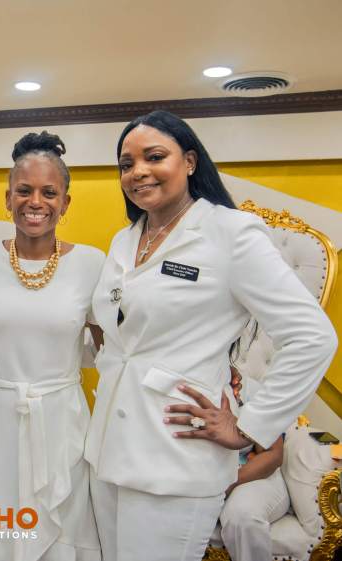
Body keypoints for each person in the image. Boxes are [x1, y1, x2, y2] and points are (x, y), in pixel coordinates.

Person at [84, 110, 337, 561]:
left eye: (154, 156)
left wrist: (249, 426)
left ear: (190, 161)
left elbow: (313, 337)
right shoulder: (125, 240)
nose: (138, 171)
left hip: (176, 456)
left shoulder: (230, 234)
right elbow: (119, 339)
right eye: (126, 163)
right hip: (108, 451)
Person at [0, 132, 103, 561]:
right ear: (8, 198)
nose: (35, 201)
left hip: (62, 422)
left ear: (66, 202)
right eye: (24, 190)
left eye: (48, 192)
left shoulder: (91, 263)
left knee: (61, 534)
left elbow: (113, 352)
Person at [215, 367, 288, 561]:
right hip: (201, 474)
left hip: (252, 475)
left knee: (243, 517)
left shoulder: (248, 390)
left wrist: (228, 483)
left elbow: (273, 455)